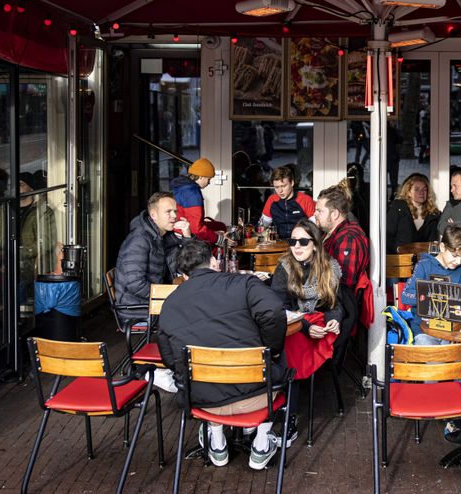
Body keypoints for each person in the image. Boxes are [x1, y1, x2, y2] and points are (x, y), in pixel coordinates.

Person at [157, 239, 291, 470]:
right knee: (283, 358)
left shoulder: (170, 304)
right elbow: (274, 311)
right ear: (214, 261)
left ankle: (216, 442)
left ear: (185, 275)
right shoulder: (244, 284)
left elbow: (170, 359)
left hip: (202, 401)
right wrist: (270, 349)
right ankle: (261, 443)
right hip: (258, 396)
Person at [113, 192, 189, 319]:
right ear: (153, 215)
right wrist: (167, 296)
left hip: (152, 301)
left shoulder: (164, 235)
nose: (174, 216)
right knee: (194, 311)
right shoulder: (139, 240)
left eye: (175, 211)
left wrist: (187, 236)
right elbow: (135, 284)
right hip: (137, 307)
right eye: (168, 212)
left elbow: (188, 261)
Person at [315, 180, 369, 357]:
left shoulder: (348, 238)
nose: (314, 214)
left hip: (337, 308)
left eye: (319, 211)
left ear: (335, 213)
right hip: (329, 298)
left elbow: (342, 284)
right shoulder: (331, 233)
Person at [0, 173, 58, 296]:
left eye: (21, 184)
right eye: (15, 185)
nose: (17, 188)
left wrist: (21, 252)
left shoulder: (42, 210)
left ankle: (17, 309)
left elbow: (47, 241)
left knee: (18, 270)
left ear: (31, 188)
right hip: (3, 257)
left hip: (29, 259)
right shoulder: (5, 208)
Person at [270, 219, 342, 341]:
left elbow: (335, 304)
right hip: (294, 324)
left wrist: (334, 320)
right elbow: (279, 307)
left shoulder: (330, 267)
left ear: (315, 245)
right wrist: (306, 327)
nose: (296, 246)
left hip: (321, 324)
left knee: (332, 336)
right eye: (292, 241)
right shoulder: (284, 267)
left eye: (303, 241)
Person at [400, 226, 461, 344]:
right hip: (424, 330)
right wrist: (430, 297)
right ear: (442, 247)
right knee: (433, 355)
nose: (458, 261)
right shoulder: (424, 265)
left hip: (451, 331)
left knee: (454, 356)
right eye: (454, 256)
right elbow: (405, 296)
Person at [170, 158, 229, 246]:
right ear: (201, 176)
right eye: (208, 179)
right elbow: (196, 228)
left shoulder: (182, 187)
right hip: (184, 235)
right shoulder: (192, 193)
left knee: (220, 226)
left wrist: (214, 232)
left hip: (176, 230)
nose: (209, 183)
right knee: (221, 241)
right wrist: (220, 239)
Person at [385, 173, 440, 253]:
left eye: (424, 189)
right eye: (416, 189)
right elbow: (388, 235)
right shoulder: (398, 208)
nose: (421, 192)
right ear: (408, 192)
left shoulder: (433, 214)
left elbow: (432, 243)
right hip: (398, 259)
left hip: (422, 260)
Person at [260, 166, 316, 237]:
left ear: (292, 183)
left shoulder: (306, 200)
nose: (280, 191)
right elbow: (263, 225)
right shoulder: (271, 200)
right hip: (278, 243)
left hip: (300, 243)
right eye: (276, 187)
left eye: (283, 186)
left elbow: (315, 228)